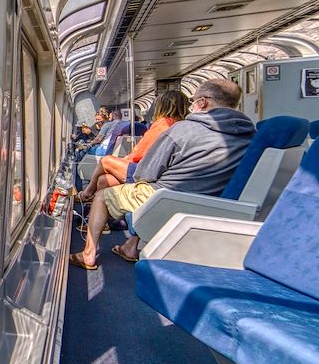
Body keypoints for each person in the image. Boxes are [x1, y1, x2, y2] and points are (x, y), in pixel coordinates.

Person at [69, 79, 255, 269]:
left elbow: (145, 174)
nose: (192, 106)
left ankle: (88, 254)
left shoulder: (181, 130)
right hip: (215, 205)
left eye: (194, 101)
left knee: (102, 196)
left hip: (166, 198)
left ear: (203, 102)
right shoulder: (250, 136)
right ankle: (130, 246)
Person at [75, 91, 190, 202]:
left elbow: (140, 152)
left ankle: (87, 193)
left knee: (106, 161)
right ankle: (101, 214)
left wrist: (122, 161)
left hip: (147, 172)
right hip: (162, 174)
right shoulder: (182, 125)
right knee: (103, 181)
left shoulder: (163, 124)